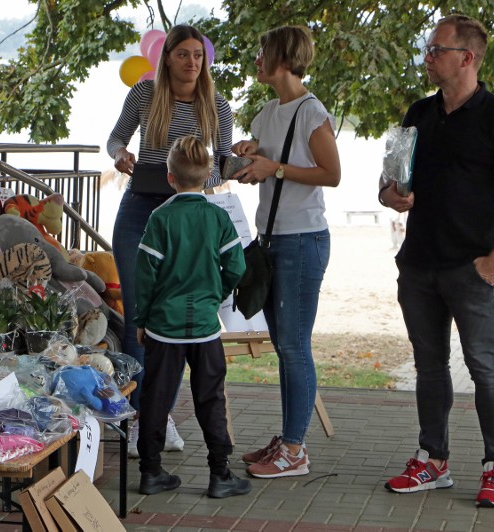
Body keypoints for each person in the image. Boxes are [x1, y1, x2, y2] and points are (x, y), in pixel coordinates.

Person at [378, 14, 494, 508]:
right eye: (429, 49)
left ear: (467, 57)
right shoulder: (418, 112)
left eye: (437, 50)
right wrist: (390, 194)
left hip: (471, 267)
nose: (428, 58)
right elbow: (390, 180)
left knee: (485, 368)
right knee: (429, 367)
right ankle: (433, 460)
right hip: (418, 265)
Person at [107, 24, 234, 457]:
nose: (192, 62)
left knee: (175, 322)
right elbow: (115, 138)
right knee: (138, 316)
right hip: (141, 207)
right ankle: (140, 417)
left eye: (198, 54)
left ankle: (156, 417)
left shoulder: (217, 104)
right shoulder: (144, 95)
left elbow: (225, 163)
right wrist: (120, 155)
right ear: (168, 59)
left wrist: (200, 175)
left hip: (190, 215)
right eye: (183, 54)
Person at [230, 25, 340, 478]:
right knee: (283, 344)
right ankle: (288, 438)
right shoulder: (267, 113)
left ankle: (295, 450)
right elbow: (269, 160)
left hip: (302, 239)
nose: (257, 60)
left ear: (284, 57)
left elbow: (331, 174)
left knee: (294, 346)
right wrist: (250, 154)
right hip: (271, 240)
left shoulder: (312, 111)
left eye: (263, 52)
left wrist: (273, 167)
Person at [134, 135, 249, 498]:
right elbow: (236, 265)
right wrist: (215, 294)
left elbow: (145, 274)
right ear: (209, 176)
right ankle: (220, 475)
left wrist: (142, 320)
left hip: (162, 328)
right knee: (211, 399)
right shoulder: (217, 217)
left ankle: (150, 472)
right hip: (203, 327)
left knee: (155, 397)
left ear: (170, 177)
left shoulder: (160, 217)